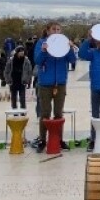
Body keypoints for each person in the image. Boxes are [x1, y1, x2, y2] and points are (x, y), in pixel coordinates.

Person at [32, 23, 77, 151]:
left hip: (60, 83)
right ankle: (42, 139)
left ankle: (59, 138)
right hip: (45, 83)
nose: (56, 31)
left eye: (58, 29)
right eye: (53, 29)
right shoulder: (41, 43)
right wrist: (44, 51)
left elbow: (72, 60)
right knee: (45, 112)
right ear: (47, 31)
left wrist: (71, 49)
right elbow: (38, 61)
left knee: (58, 112)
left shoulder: (64, 43)